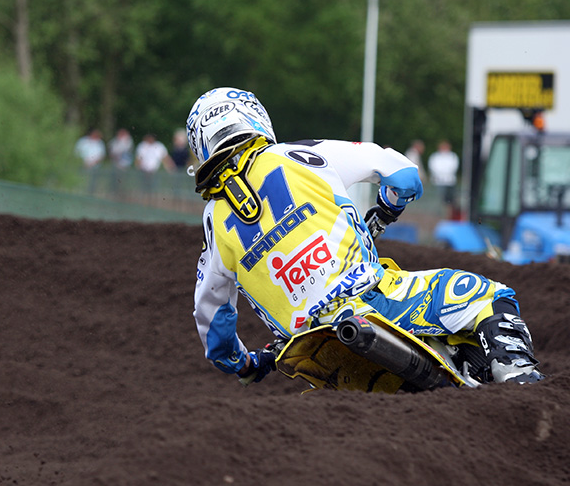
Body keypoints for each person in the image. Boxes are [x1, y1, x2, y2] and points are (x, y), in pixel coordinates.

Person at [186, 87, 544, 387]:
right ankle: (519, 380)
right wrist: (387, 208)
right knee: (489, 296)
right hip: (372, 301)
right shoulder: (298, 154)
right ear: (255, 118)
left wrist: (245, 364)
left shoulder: (213, 222)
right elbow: (404, 174)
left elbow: (213, 323)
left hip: (308, 351)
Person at [428, 140, 460, 219]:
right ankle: (438, 215)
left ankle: (450, 215)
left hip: (450, 181)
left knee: (451, 201)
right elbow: (434, 167)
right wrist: (441, 174)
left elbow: (453, 167)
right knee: (440, 200)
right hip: (438, 182)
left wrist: (446, 173)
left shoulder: (453, 156)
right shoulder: (435, 156)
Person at [135, 133, 172, 199]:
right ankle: (145, 196)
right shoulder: (142, 146)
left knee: (153, 185)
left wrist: (170, 167)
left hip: (154, 171)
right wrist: (138, 167)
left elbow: (165, 157)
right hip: (144, 170)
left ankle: (152, 197)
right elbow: (139, 158)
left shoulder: (159, 146)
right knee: (144, 185)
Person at [75, 128, 106, 194]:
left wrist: (92, 164)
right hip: (82, 166)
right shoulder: (83, 141)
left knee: (92, 185)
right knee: (81, 182)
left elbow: (101, 156)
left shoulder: (100, 143)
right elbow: (77, 153)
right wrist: (83, 162)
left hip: (94, 167)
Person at [108, 128, 134, 196]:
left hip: (124, 163)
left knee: (123, 178)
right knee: (115, 178)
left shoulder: (128, 141)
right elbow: (111, 150)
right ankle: (115, 191)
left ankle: (122, 191)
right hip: (116, 162)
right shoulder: (115, 141)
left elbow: (126, 150)